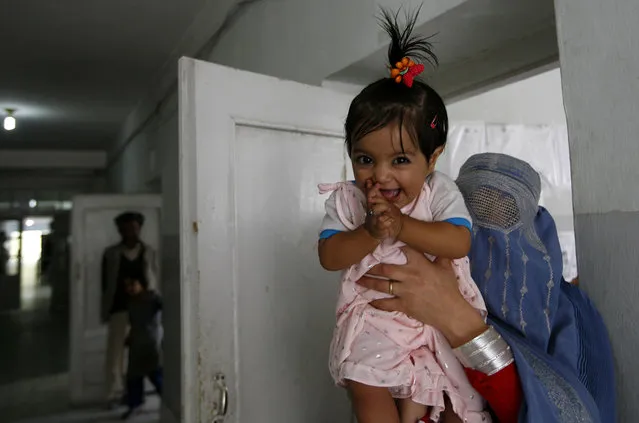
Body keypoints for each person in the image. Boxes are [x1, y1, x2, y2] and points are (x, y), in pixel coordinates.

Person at [317, 9, 489, 423]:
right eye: (364, 158)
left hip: (439, 326)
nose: (379, 174)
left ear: (432, 158)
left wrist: (403, 226)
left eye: (399, 159)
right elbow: (329, 255)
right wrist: (371, 232)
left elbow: (459, 241)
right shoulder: (347, 201)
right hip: (375, 321)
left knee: (455, 398)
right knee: (366, 385)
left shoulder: (438, 191)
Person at [358, 153, 616, 423]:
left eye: (508, 216)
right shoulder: (415, 278)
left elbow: (578, 416)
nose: (490, 238)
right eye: (473, 212)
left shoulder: (571, 315)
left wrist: (454, 315)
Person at [101, 211, 159, 407]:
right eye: (125, 228)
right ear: (120, 230)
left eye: (133, 227)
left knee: (143, 354)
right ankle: (113, 393)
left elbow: (154, 279)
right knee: (115, 354)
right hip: (120, 308)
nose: (130, 232)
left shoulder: (148, 251)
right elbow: (106, 284)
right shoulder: (111, 254)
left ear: (139, 228)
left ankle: (137, 393)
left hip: (143, 311)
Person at [121, 273, 163, 420]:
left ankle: (171, 402)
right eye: (127, 286)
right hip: (136, 343)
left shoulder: (151, 298)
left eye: (133, 284)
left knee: (156, 375)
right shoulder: (131, 302)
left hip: (150, 343)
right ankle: (134, 404)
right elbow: (133, 323)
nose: (130, 289)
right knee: (133, 377)